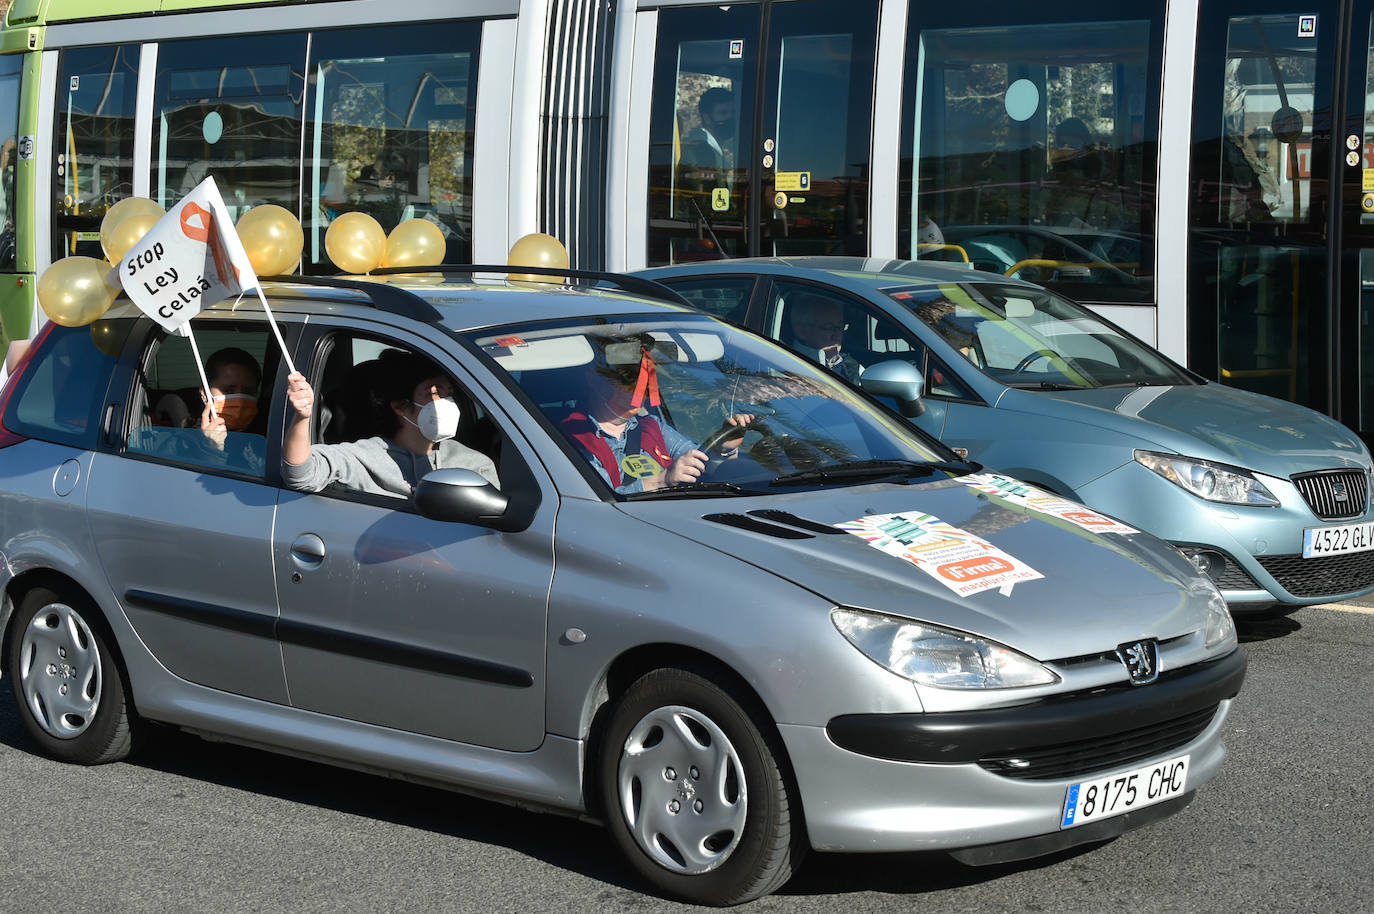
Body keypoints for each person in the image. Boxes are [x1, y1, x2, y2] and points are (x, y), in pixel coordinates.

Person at [282, 350, 498, 498]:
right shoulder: (365, 457)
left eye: (449, 393)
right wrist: (302, 417)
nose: (447, 402)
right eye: (434, 392)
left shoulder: (473, 464)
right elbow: (300, 474)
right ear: (400, 405)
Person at [560, 358, 753, 495]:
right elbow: (596, 500)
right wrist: (662, 480)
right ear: (594, 380)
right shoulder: (569, 439)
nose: (638, 392)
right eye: (626, 382)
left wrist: (724, 449)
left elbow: (699, 465)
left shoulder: (652, 426)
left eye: (642, 383)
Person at [786, 292, 862, 383]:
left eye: (840, 327)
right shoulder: (783, 364)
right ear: (802, 332)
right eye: (828, 328)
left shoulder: (853, 366)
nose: (837, 336)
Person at [680, 86, 735, 172]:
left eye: (733, 112)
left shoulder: (711, 147)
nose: (730, 117)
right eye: (723, 113)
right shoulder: (701, 150)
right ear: (707, 118)